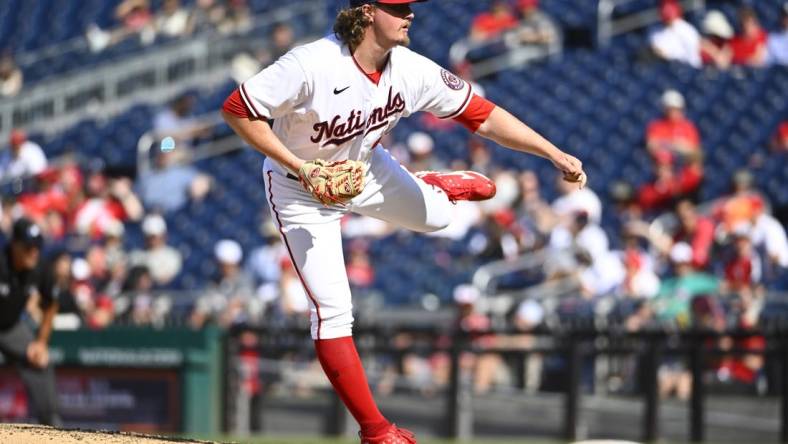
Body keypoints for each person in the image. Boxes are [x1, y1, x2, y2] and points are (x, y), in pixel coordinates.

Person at [220, 0, 586, 441]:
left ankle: (432, 184)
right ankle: (376, 431)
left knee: (439, 219)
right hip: (298, 187)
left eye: (410, 7)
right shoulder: (311, 64)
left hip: (362, 168)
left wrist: (553, 152)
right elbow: (237, 109)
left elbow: (482, 116)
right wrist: (302, 168)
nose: (409, 14)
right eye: (398, 7)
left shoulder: (411, 70)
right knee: (333, 313)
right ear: (368, 13)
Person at [0, 218, 61, 425]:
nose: (34, 252)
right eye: (28, 247)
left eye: (37, 247)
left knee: (41, 361)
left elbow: (52, 304)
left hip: (10, 328)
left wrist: (41, 342)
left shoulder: (40, 267)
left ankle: (52, 428)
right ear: (14, 244)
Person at [649, 1, 701, 68]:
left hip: (687, 64)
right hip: (667, 65)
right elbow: (655, 49)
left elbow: (694, 53)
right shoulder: (655, 30)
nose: (669, 20)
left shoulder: (686, 29)